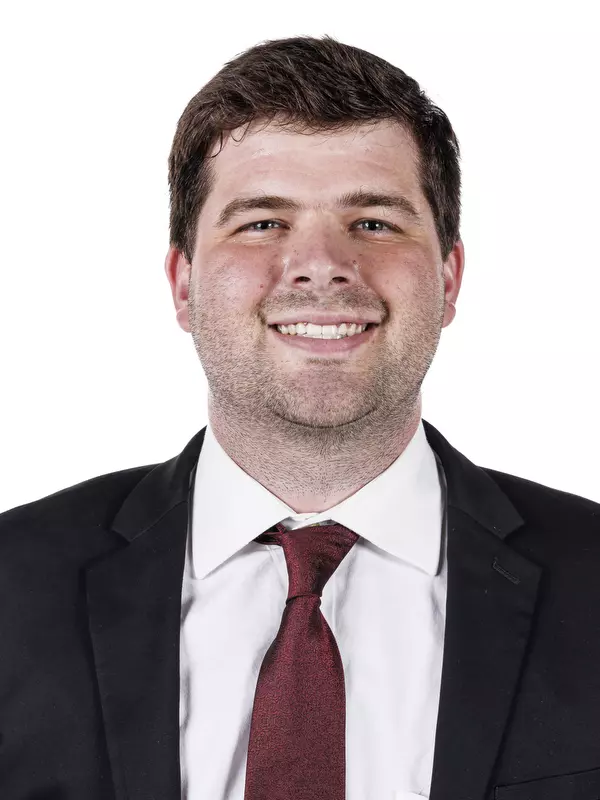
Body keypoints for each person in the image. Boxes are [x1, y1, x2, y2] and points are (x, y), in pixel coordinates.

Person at [1, 33, 599, 800]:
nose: (321, 262)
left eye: (375, 222)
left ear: (449, 277)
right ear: (182, 283)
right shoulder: (12, 587)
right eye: (262, 222)